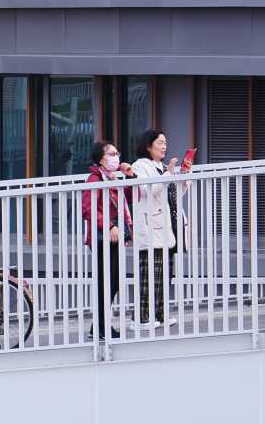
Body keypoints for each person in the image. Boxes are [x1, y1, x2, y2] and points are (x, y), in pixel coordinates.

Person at [130, 129, 190, 330]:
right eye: (160, 142)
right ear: (149, 145)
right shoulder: (140, 166)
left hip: (166, 227)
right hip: (149, 226)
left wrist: (184, 176)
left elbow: (173, 195)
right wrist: (168, 174)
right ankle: (140, 318)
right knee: (148, 275)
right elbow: (147, 189)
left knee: (164, 274)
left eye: (165, 142)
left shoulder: (162, 167)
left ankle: (161, 315)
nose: (164, 146)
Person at [81, 139, 133, 339]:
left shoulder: (111, 177)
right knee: (108, 281)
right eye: (111, 154)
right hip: (102, 237)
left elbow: (127, 199)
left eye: (116, 153)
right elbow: (88, 210)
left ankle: (99, 326)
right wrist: (109, 226)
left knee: (114, 281)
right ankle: (101, 328)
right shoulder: (94, 180)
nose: (116, 157)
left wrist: (130, 177)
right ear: (100, 159)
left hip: (115, 236)